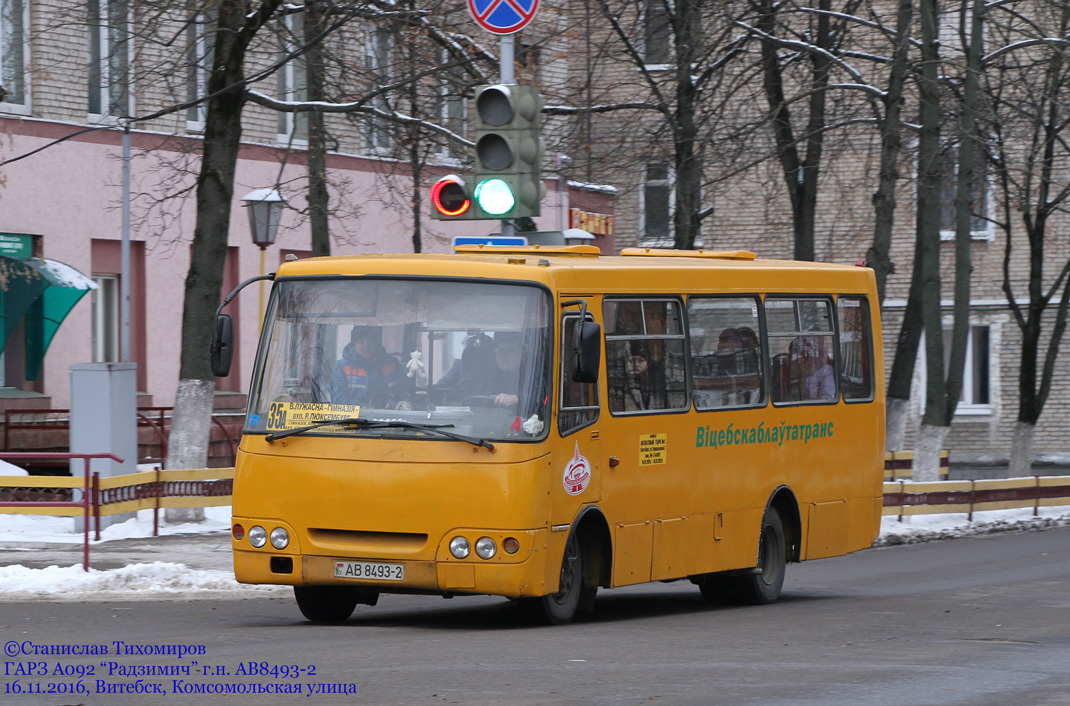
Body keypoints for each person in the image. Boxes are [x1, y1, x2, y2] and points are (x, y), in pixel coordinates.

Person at [330, 325, 398, 406]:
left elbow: (405, 392)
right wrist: (372, 407)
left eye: (370, 342)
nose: (366, 346)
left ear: (376, 343)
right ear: (353, 345)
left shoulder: (392, 363)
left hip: (392, 415)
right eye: (361, 342)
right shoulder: (341, 366)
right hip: (354, 417)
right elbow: (339, 401)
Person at [790, 336, 834, 401]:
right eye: (801, 356)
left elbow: (827, 398)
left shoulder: (826, 371)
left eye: (807, 357)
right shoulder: (800, 371)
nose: (800, 361)